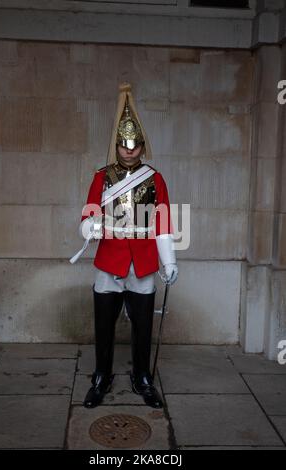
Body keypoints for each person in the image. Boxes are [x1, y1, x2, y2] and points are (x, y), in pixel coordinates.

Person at [79, 82, 178, 409]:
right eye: (125, 145)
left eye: (135, 145)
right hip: (110, 259)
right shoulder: (101, 176)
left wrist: (170, 261)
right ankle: (101, 375)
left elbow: (162, 221)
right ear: (118, 144)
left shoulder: (155, 178)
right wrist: (90, 226)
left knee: (143, 326)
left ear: (142, 145)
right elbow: (88, 213)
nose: (130, 151)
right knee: (104, 325)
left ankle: (142, 376)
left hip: (144, 261)